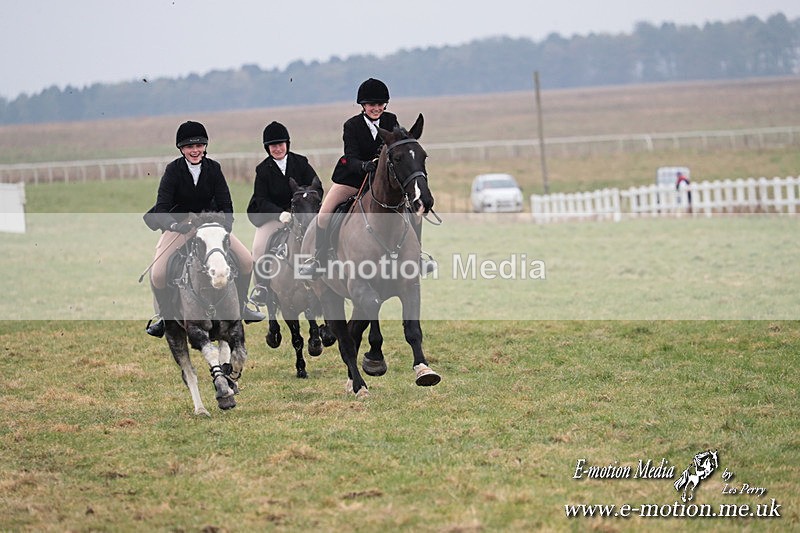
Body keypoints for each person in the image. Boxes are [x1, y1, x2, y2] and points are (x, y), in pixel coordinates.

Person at [298, 78, 436, 277]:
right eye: (372, 105)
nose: (376, 108)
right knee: (325, 213)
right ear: (363, 105)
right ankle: (319, 260)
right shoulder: (352, 125)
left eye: (380, 104)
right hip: (352, 178)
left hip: (383, 181)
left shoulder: (391, 120)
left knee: (415, 210)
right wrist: (365, 165)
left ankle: (417, 257)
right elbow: (350, 156)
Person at [143, 120, 264, 337]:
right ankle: (165, 317)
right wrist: (176, 226)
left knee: (246, 261)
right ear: (181, 149)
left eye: (199, 145)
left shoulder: (214, 168)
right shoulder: (173, 170)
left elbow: (226, 204)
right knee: (159, 272)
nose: (195, 150)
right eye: (190, 146)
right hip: (181, 227)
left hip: (211, 226)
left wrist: (225, 227)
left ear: (205, 147)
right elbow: (162, 208)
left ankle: (243, 306)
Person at [247, 120, 323, 304]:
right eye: (273, 146)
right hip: (273, 216)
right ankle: (262, 288)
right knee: (259, 247)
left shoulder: (301, 162)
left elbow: (317, 187)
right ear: (268, 148)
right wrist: (279, 214)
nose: (277, 149)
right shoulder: (263, 170)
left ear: (287, 144)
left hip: (301, 213)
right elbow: (260, 199)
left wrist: (308, 206)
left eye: (280, 144)